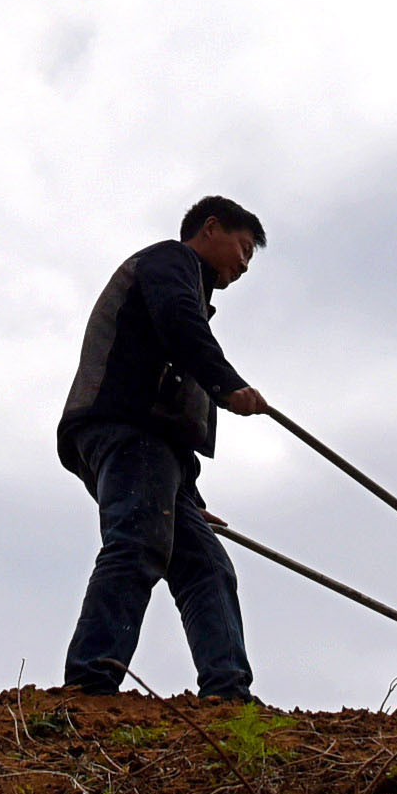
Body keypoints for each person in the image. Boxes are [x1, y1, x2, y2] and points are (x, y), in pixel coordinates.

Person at [54, 194, 270, 700]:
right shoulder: (170, 265)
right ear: (210, 228)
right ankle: (89, 681)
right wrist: (226, 383)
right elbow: (179, 325)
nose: (243, 265)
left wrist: (189, 499)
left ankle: (228, 691)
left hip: (153, 449)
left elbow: (172, 408)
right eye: (242, 248)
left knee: (206, 566)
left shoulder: (187, 294)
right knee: (138, 543)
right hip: (125, 430)